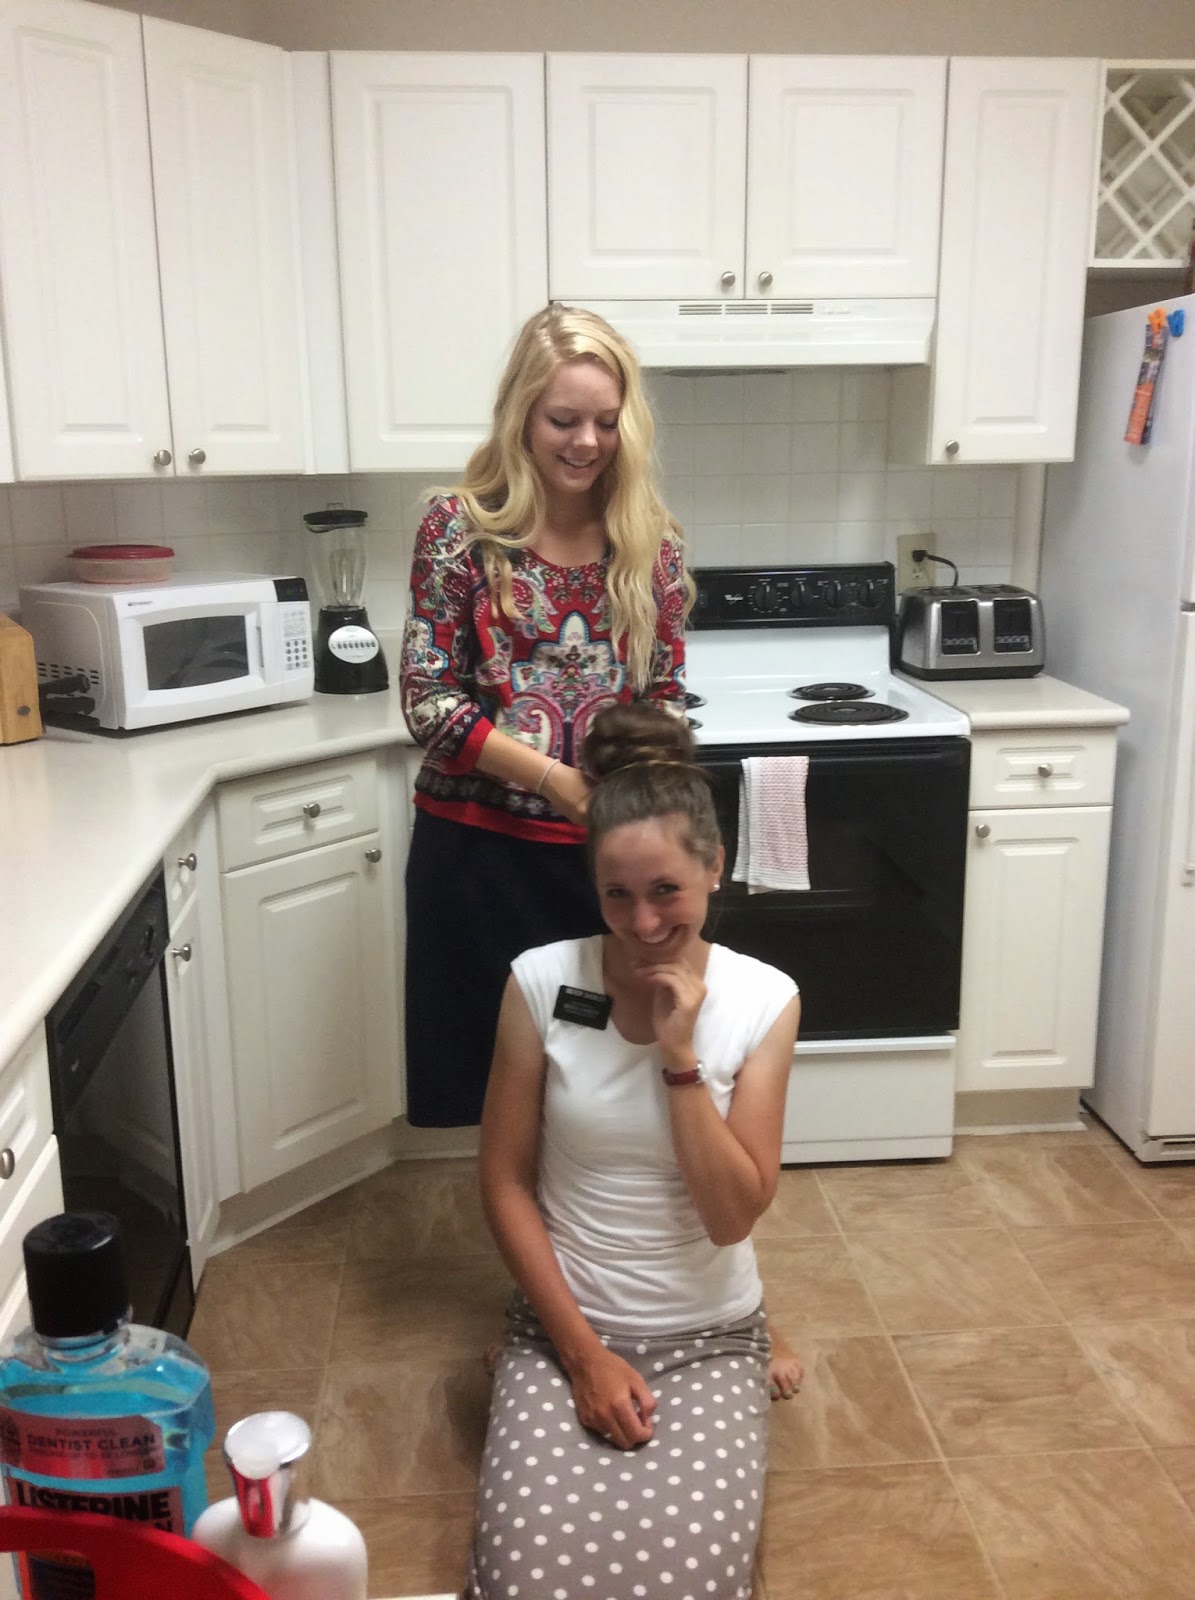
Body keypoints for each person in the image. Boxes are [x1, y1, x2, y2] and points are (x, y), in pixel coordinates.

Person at [465, 702, 802, 1600]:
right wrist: (580, 1355)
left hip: (709, 1335)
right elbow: (502, 1183)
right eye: (617, 895)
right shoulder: (540, 981)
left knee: (689, 1583)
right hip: (561, 1328)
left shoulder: (765, 1001)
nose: (644, 922)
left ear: (715, 868)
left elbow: (730, 1217)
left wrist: (679, 1058)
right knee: (522, 1577)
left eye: (666, 892)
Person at [400, 303, 688, 1132]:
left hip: (601, 871)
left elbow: (664, 693)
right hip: (476, 861)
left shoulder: (651, 544)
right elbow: (428, 699)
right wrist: (558, 782)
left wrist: (652, 810)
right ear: (522, 415)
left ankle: (582, 1222)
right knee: (497, 1091)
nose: (586, 442)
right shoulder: (458, 531)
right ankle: (518, 1225)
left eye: (606, 421)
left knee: (594, 1086)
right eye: (563, 420)